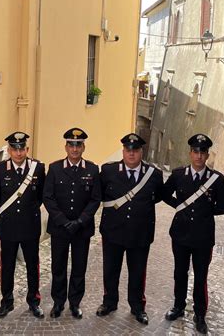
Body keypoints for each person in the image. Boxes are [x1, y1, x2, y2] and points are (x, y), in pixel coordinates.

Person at [163, 133, 224, 334]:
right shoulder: (178, 175)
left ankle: (200, 314)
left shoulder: (216, 180)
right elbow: (164, 194)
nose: (199, 156)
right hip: (180, 234)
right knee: (179, 272)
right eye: (195, 152)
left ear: (207, 155)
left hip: (203, 237)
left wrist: (205, 212)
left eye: (203, 153)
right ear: (190, 153)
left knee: (201, 276)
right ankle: (178, 306)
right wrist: (179, 206)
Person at [96, 133, 163, 325]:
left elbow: (157, 197)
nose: (131, 154)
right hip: (113, 231)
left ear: (141, 152)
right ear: (123, 151)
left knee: (138, 271)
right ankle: (109, 302)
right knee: (110, 269)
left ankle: (137, 307)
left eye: (135, 150)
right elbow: (99, 194)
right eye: (128, 150)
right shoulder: (108, 171)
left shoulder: (154, 175)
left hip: (140, 233)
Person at [43, 128, 101, 319]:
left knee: (79, 267)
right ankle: (58, 302)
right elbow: (48, 197)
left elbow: (95, 199)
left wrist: (80, 221)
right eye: (71, 145)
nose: (74, 149)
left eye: (78, 145)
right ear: (65, 147)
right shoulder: (55, 168)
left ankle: (75, 303)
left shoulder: (92, 169)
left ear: (83, 147)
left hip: (81, 229)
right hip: (60, 228)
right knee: (58, 266)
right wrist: (62, 221)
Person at [0, 132, 45, 319]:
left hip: (30, 226)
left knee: (33, 265)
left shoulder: (38, 168)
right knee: (7, 266)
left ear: (27, 149)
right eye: (14, 149)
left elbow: (40, 197)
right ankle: (7, 302)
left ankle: (34, 301)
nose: (19, 152)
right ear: (9, 150)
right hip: (8, 227)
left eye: (22, 148)